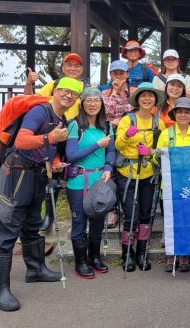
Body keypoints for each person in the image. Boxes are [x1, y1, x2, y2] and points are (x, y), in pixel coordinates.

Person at [0, 77, 81, 312]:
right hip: (16, 173)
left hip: (37, 174)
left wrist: (56, 161)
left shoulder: (61, 118)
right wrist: (50, 138)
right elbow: (21, 141)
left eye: (74, 93)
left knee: (32, 224)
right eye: (65, 90)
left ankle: (35, 269)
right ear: (55, 90)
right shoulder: (39, 111)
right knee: (7, 228)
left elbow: (47, 149)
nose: (68, 95)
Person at [25, 53, 85, 232]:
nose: (73, 68)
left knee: (69, 172)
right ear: (63, 67)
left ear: (81, 70)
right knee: (53, 175)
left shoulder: (85, 87)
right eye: (69, 65)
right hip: (54, 132)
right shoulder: (54, 85)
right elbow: (29, 101)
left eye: (77, 66)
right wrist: (30, 82)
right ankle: (48, 215)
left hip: (75, 134)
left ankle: (80, 212)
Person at [114, 82, 166, 272]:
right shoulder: (127, 119)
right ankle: (126, 254)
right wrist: (127, 136)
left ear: (155, 100)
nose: (146, 99)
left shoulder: (157, 122)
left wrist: (150, 151)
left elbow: (159, 150)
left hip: (148, 174)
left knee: (146, 214)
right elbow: (118, 145)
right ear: (137, 99)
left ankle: (141, 254)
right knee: (131, 215)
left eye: (150, 96)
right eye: (143, 95)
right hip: (127, 173)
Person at [65, 87, 115, 279]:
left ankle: (94, 257)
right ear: (82, 103)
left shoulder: (106, 126)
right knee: (79, 221)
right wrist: (96, 145)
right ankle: (81, 262)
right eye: (89, 100)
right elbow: (71, 155)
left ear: (102, 103)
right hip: (78, 181)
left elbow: (110, 151)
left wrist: (109, 166)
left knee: (98, 221)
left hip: (99, 180)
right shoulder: (75, 126)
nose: (93, 104)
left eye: (96, 100)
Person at [154, 97, 190, 273]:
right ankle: (171, 255)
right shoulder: (165, 134)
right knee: (171, 221)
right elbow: (156, 158)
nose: (183, 115)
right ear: (174, 114)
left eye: (187, 112)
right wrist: (158, 154)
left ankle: (184, 255)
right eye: (180, 111)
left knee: (188, 220)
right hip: (169, 186)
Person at [101, 60, 135, 229]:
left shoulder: (134, 92)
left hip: (129, 137)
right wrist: (115, 91)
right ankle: (111, 210)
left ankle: (127, 209)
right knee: (110, 171)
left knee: (123, 173)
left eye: (122, 73)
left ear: (127, 74)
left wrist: (120, 121)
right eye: (115, 73)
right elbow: (104, 113)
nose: (119, 76)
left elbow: (134, 111)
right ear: (111, 75)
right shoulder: (105, 93)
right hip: (109, 137)